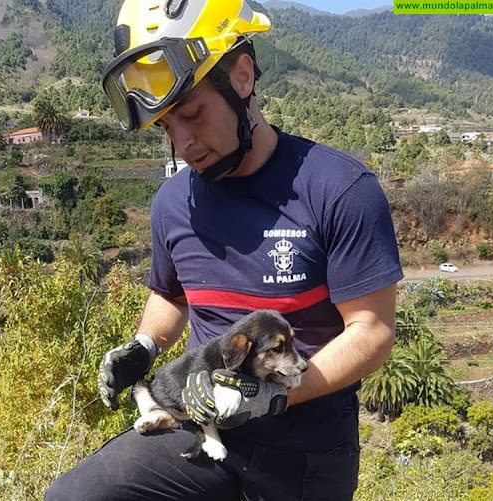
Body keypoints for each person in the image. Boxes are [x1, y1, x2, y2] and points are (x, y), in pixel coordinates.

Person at [45, 0, 403, 499]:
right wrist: (144, 346)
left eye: (191, 113)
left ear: (240, 76)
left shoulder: (338, 189)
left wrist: (272, 395)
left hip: (305, 452)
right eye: (167, 127)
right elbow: (171, 296)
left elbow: (373, 333)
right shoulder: (174, 203)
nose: (184, 144)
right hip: (198, 429)